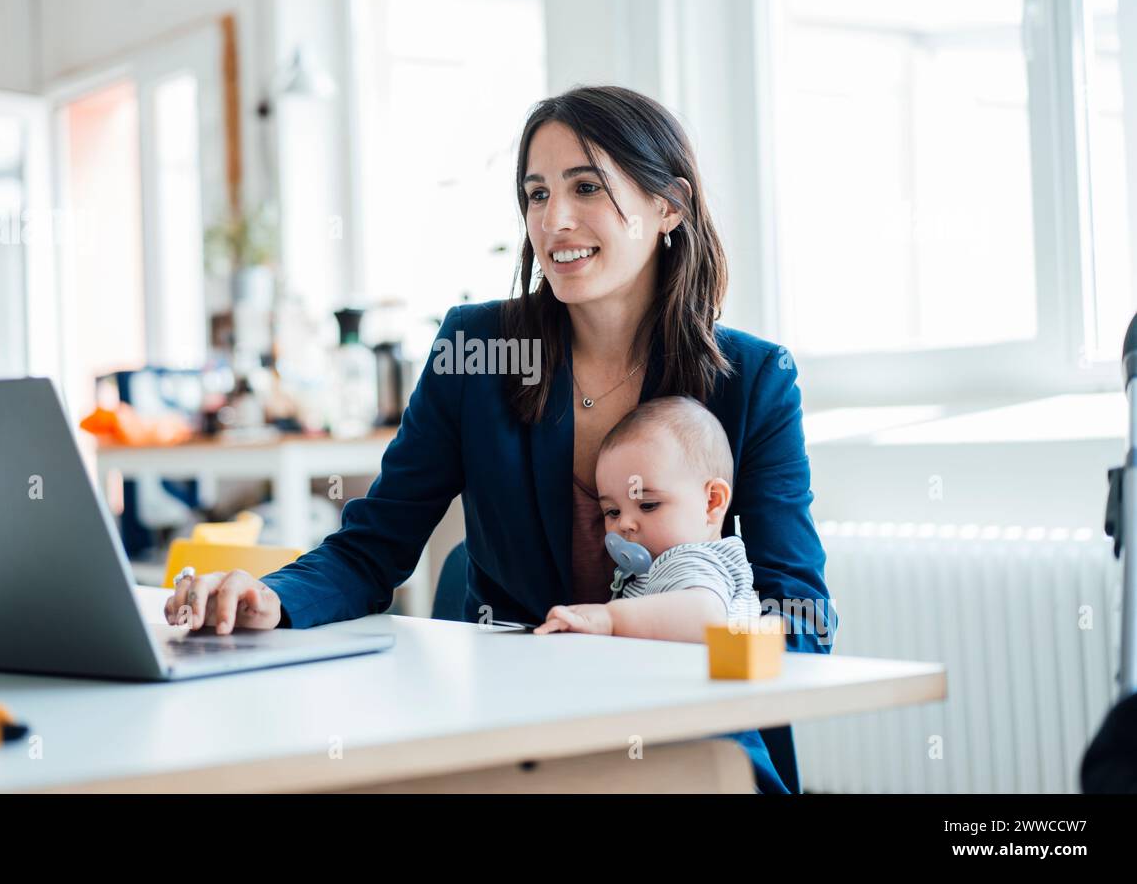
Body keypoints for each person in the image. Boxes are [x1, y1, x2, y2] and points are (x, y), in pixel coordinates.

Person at [165, 84, 836, 793]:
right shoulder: (476, 349)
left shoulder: (753, 378)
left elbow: (802, 616)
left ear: (667, 206)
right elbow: (372, 549)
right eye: (537, 193)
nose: (555, 221)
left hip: (684, 731)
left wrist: (675, 632)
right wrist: (270, 596)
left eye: (586, 187)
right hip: (510, 729)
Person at [534, 395, 762, 641]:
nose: (624, 524)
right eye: (612, 511)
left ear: (712, 502)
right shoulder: (659, 567)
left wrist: (610, 619)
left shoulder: (691, 559)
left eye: (648, 505)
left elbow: (705, 616)